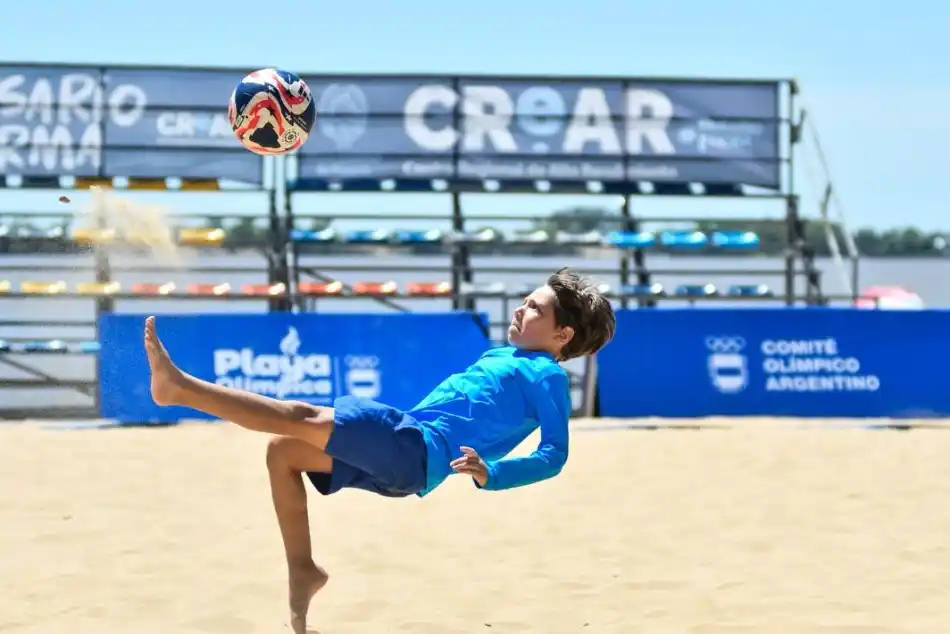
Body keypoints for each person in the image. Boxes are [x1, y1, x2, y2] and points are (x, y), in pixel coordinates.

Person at [143, 267, 616, 633]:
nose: (519, 310)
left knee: (301, 416)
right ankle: (303, 569)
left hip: (416, 449)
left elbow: (554, 454)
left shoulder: (547, 376)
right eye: (525, 301)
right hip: (408, 450)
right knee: (284, 452)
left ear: (562, 335)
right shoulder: (504, 354)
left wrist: (492, 472)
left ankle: (180, 389)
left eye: (534, 309)